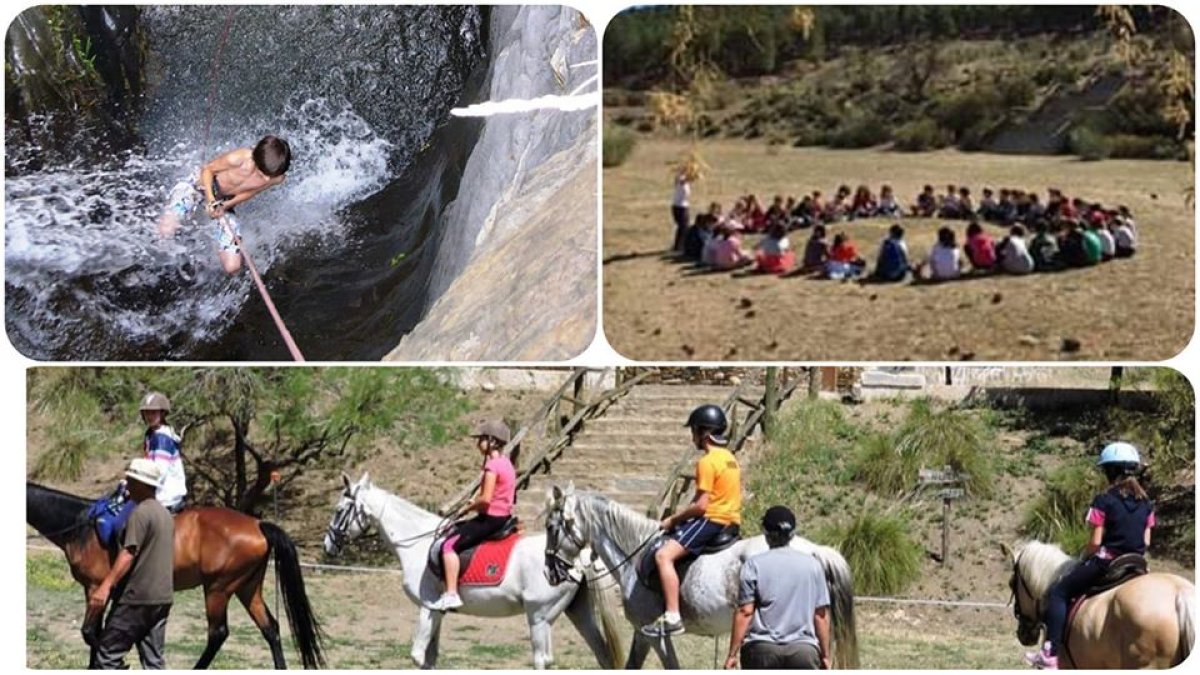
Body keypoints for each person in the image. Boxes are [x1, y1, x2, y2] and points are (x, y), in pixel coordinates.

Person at [1026, 442, 1156, 670]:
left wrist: (1084, 557)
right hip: (1137, 562)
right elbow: (1146, 541)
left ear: (1110, 472)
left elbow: (1096, 542)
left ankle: (1050, 654)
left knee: (1058, 593)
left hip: (1108, 560)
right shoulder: (1146, 503)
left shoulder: (1103, 500)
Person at [642, 405, 742, 638]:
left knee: (663, 555)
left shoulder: (707, 462)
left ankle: (673, 615)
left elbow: (701, 506)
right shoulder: (730, 459)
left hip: (712, 520)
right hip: (731, 521)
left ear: (703, 433)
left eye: (694, 431)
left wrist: (673, 519)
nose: (692, 437)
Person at [159, 135, 292, 275]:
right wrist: (211, 200)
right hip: (199, 187)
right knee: (166, 231)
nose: (266, 179)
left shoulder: (276, 177)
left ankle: (223, 258)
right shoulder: (240, 158)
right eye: (263, 174)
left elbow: (251, 192)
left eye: (270, 176)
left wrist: (227, 205)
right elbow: (208, 170)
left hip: (224, 201)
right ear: (255, 160)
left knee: (232, 267)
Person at [90, 458, 176, 670]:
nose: (127, 484)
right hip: (162, 598)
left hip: (136, 598)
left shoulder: (140, 513)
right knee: (153, 662)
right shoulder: (166, 515)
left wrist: (105, 586)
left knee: (107, 657)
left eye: (130, 480)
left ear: (141, 484)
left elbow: (129, 552)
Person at [427, 420, 517, 612]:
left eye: (482, 440)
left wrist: (467, 509)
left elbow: (485, 500)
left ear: (492, 441)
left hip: (491, 517)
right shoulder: (507, 463)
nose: (478, 444)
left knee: (449, 545)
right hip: (503, 516)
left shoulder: (492, 466)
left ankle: (451, 593)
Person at [725, 506, 830, 670]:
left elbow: (745, 612)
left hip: (762, 650)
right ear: (792, 534)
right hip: (803, 652)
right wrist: (825, 655)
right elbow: (820, 616)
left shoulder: (753, 565)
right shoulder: (813, 566)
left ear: (765, 534)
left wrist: (732, 654)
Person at [137, 392, 187, 513]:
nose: (150, 416)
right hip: (161, 493)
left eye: (154, 412)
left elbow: (159, 472)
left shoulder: (161, 439)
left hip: (165, 497)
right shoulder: (153, 434)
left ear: (162, 413)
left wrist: (137, 486)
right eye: (147, 412)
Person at [670, 168, 692, 252]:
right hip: (679, 207)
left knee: (683, 227)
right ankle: (679, 246)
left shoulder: (686, 182)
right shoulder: (680, 179)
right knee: (683, 227)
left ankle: (680, 245)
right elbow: (681, 180)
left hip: (683, 206)